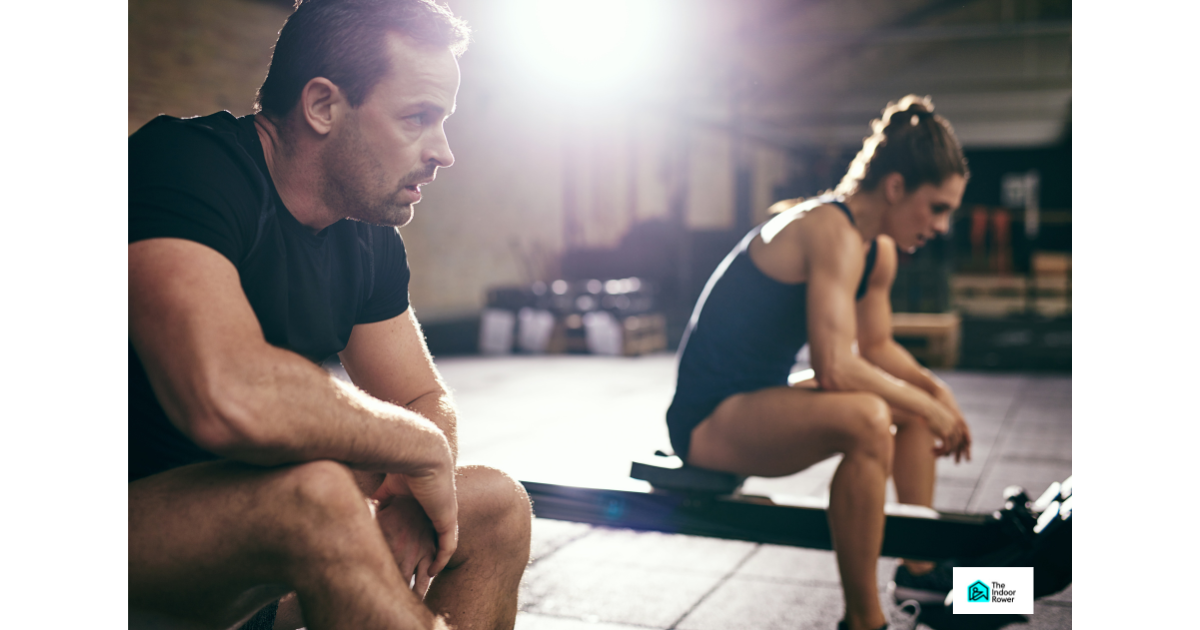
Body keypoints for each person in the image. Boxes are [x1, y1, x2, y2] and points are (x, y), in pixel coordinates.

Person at [127, 1, 531, 628]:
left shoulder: (364, 235)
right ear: (321, 106)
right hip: (154, 539)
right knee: (318, 498)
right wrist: (417, 446)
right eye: (417, 118)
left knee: (495, 503)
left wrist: (411, 497)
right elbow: (228, 393)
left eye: (443, 121)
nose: (444, 151)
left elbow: (422, 393)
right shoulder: (182, 166)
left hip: (259, 546)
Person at [665, 95, 973, 630]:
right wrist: (926, 400)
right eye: (938, 208)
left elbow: (876, 349)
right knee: (871, 417)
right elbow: (835, 367)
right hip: (708, 419)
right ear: (896, 187)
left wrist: (933, 393)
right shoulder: (828, 228)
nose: (943, 226)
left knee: (912, 411)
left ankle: (919, 572)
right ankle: (863, 620)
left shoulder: (880, 247)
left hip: (763, 397)